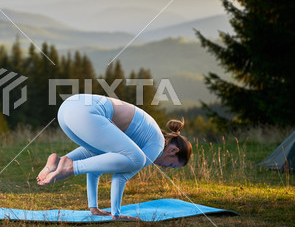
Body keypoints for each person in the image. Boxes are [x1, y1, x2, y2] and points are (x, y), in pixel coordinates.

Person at [36, 94, 192, 220]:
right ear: (173, 150)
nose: (164, 168)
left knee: (99, 155)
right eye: (171, 165)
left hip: (68, 109)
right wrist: (116, 214)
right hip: (86, 112)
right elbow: (120, 177)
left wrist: (94, 208)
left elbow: (97, 166)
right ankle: (71, 166)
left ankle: (54, 164)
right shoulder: (157, 144)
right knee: (138, 160)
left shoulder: (147, 136)